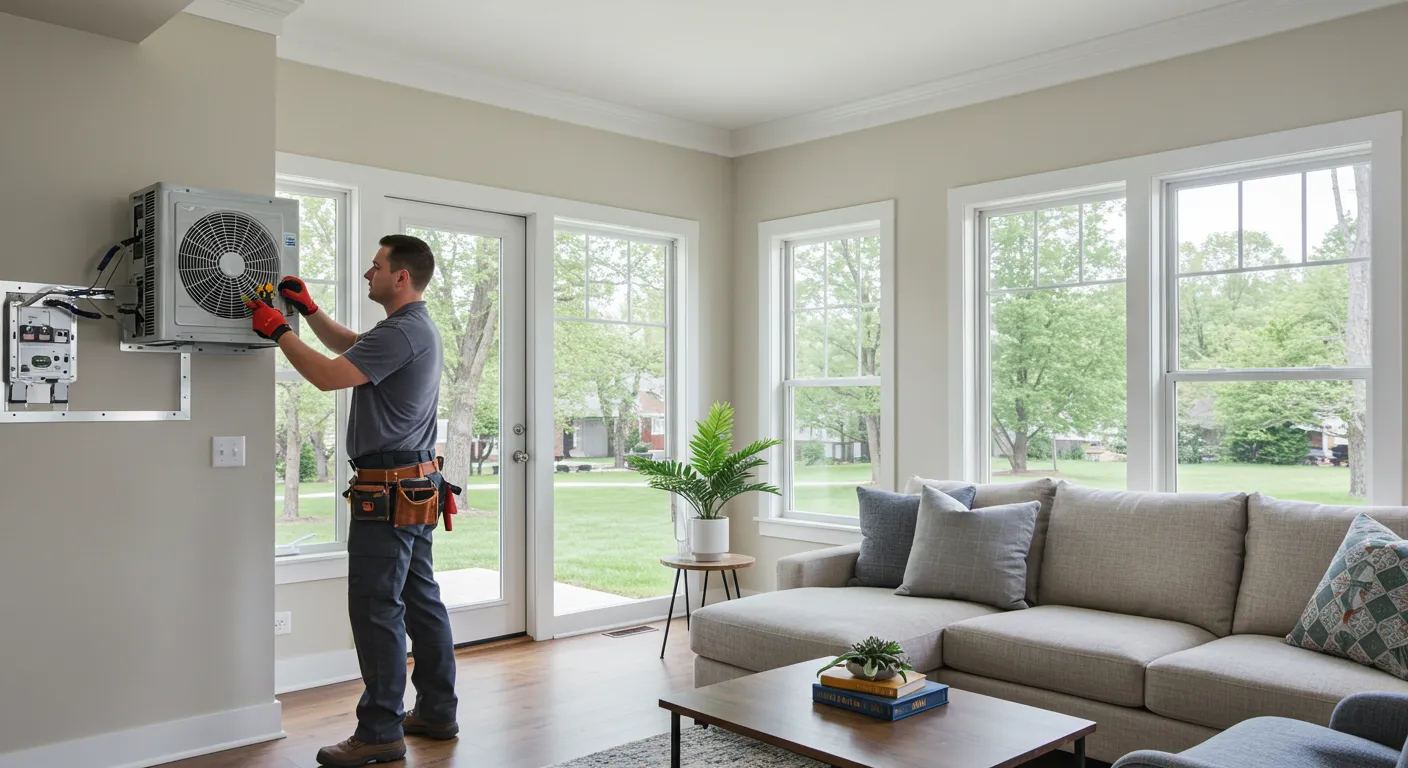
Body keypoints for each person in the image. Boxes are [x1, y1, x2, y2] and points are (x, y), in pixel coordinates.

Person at [249, 234, 459, 767]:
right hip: (413, 486)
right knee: (419, 600)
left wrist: (279, 332)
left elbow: (327, 376)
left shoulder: (405, 331)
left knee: (376, 608)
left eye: (376, 266)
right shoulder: (407, 329)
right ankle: (436, 711)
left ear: (401, 277)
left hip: (388, 494)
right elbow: (351, 347)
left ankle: (380, 732)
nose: (369, 274)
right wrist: (310, 312)